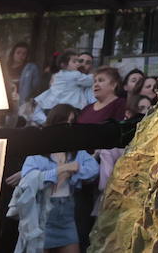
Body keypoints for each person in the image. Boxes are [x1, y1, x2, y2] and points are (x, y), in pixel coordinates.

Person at [16, 103, 97, 253]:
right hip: (43, 213)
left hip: (66, 212)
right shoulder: (38, 151)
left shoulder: (75, 151)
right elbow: (28, 180)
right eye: (63, 122)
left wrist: (73, 173)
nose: (67, 127)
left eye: (71, 123)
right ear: (53, 123)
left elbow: (93, 169)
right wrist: (62, 169)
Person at [30, 53, 93, 124]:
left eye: (88, 62)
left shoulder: (58, 75)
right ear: (64, 65)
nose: (80, 64)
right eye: (79, 61)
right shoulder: (74, 75)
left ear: (91, 66)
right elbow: (37, 113)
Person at [6, 42, 43, 111]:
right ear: (13, 53)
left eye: (24, 53)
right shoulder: (6, 67)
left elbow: (36, 86)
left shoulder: (31, 68)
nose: (21, 56)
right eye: (18, 53)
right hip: (6, 101)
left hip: (22, 103)